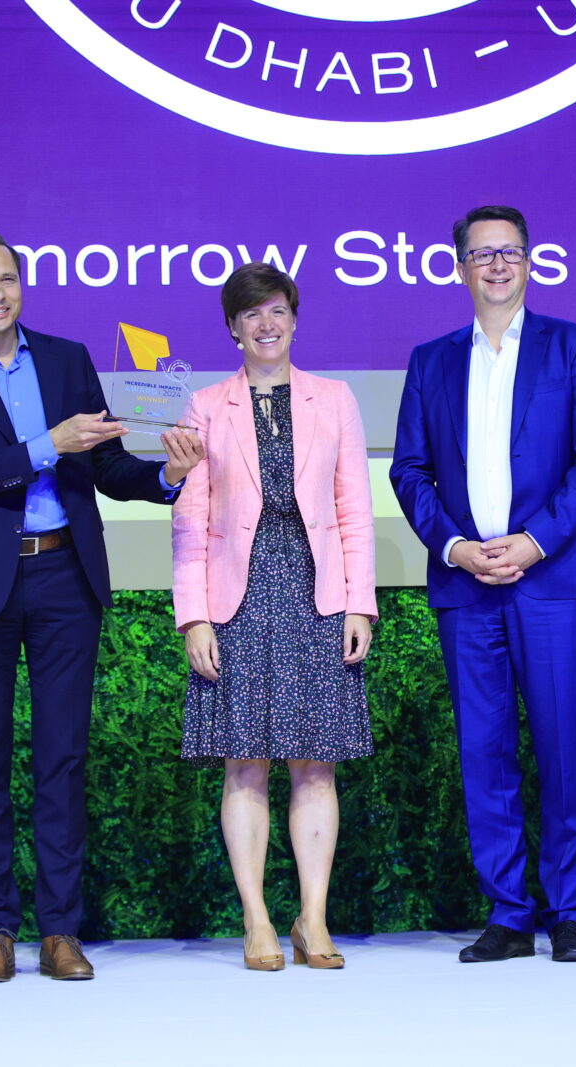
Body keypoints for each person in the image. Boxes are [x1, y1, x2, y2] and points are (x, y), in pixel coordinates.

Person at [0, 229, 205, 982]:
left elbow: (102, 463)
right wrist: (45, 444)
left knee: (62, 759)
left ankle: (61, 930)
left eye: (8, 278)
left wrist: (164, 477)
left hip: (66, 578)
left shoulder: (67, 359)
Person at [390, 205, 576, 964]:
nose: (497, 265)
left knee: (562, 747)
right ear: (459, 267)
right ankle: (510, 911)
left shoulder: (573, 345)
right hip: (468, 586)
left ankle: (570, 909)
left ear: (529, 262)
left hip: (551, 581)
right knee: (482, 751)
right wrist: (456, 545)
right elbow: (410, 469)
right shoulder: (432, 359)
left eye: (510, 252)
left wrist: (534, 540)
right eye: (482, 253)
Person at [171, 263, 376, 971]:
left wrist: (360, 603)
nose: (267, 324)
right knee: (245, 765)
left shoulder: (335, 399)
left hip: (318, 595)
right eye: (252, 314)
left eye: (278, 310)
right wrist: (194, 616)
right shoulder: (203, 406)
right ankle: (256, 919)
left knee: (316, 765)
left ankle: (312, 918)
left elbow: (355, 510)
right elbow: (191, 522)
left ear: (294, 317)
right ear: (232, 327)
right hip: (238, 597)